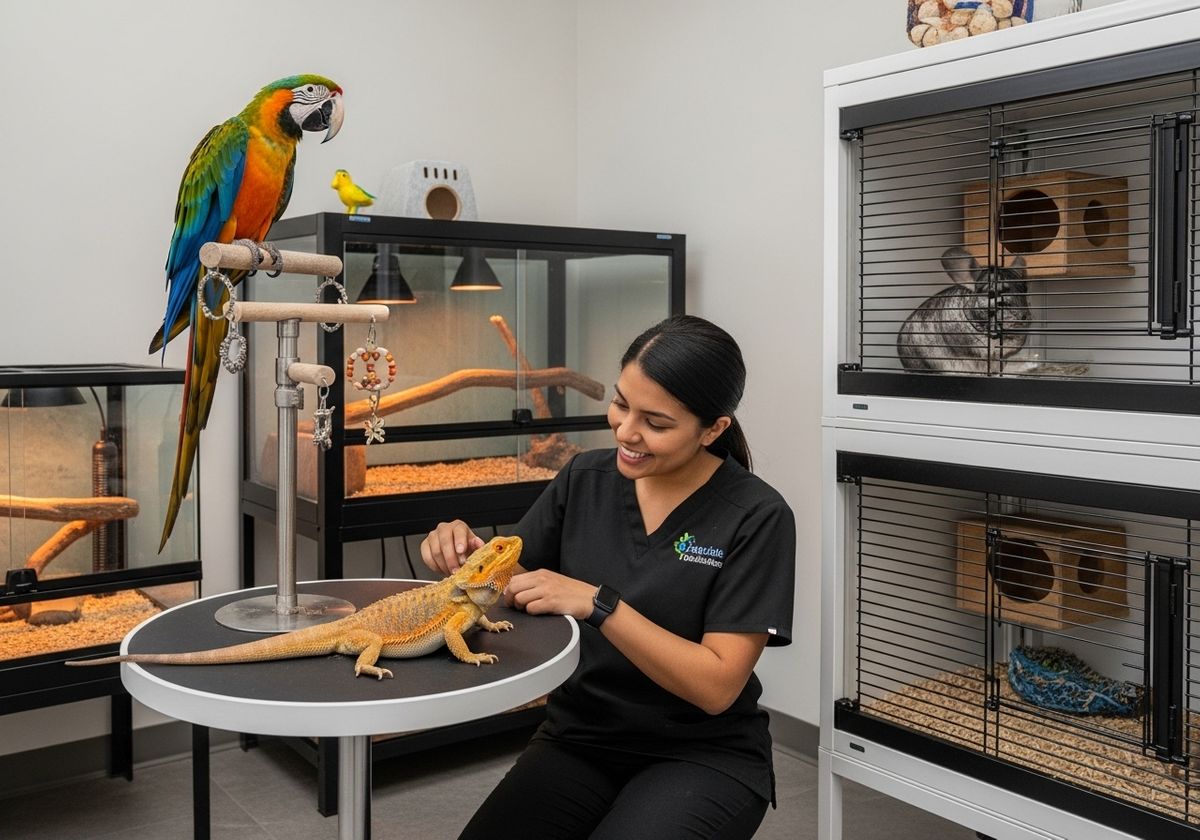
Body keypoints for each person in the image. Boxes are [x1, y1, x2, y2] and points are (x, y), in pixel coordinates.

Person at [421, 314, 796, 840]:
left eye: (656, 423)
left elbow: (716, 687)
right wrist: (470, 556)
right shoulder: (585, 477)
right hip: (579, 736)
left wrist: (601, 604)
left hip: (702, 755)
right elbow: (517, 583)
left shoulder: (757, 516)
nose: (626, 431)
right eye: (621, 404)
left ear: (713, 429)